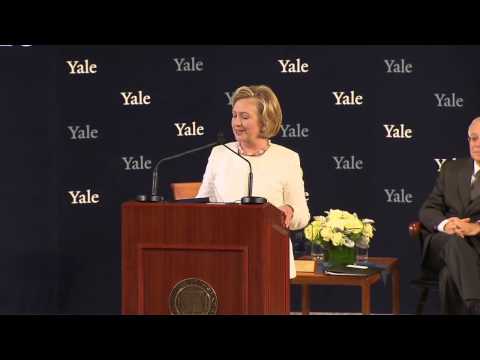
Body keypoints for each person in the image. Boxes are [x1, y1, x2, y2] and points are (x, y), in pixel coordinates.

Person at [197, 85, 311, 279]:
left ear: (265, 121)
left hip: (271, 256)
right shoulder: (220, 154)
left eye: (245, 117)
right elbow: (201, 204)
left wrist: (289, 210)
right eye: (234, 115)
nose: (236, 123)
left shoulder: (287, 158)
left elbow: (302, 216)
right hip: (225, 255)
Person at [419, 116, 480, 314]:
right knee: (453, 242)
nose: (476, 144)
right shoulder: (451, 169)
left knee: (449, 275)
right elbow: (428, 209)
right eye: (473, 138)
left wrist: (476, 227)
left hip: (476, 247)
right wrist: (446, 224)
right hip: (442, 245)